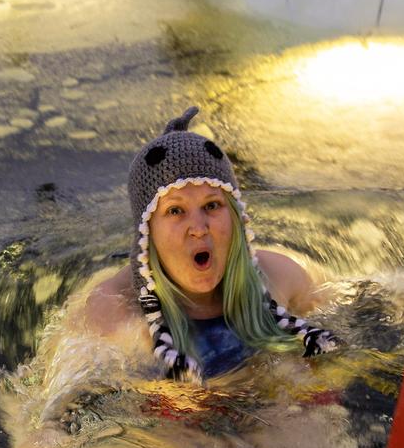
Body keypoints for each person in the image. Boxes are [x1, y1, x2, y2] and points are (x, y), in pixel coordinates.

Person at [83, 106, 337, 381]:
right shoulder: (113, 315)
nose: (199, 228)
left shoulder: (283, 278)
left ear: (236, 216)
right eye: (175, 210)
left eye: (212, 205)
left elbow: (347, 327)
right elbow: (52, 408)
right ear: (147, 232)